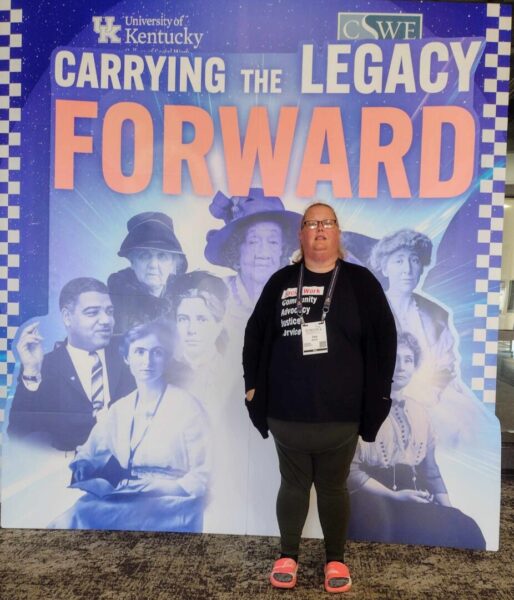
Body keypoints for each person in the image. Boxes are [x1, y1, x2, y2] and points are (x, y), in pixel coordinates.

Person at [243, 202, 397, 592]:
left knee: (333, 487)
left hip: (342, 415)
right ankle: (288, 556)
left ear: (338, 231)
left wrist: (378, 397)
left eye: (326, 222)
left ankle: (335, 561)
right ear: (301, 234)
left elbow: (385, 342)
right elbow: (255, 334)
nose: (319, 230)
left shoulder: (362, 284)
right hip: (286, 412)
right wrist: (251, 385)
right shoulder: (280, 282)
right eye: (311, 224)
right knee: (292, 485)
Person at [50, 319, 209, 532]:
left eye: (157, 352)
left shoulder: (187, 406)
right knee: (78, 512)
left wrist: (161, 488)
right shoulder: (120, 409)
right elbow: (90, 452)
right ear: (126, 358)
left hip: (174, 502)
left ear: (167, 358)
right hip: (130, 495)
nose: (147, 361)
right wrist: (83, 467)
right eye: (140, 352)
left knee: (84, 515)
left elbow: (203, 474)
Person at [347, 332, 486, 549]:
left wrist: (449, 510)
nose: (401, 367)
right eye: (395, 359)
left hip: (412, 494)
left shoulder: (419, 412)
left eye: (408, 360)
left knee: (466, 528)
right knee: (400, 530)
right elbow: (350, 473)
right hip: (370, 498)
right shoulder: (359, 406)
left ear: (414, 366)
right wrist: (397, 497)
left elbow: (429, 471)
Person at [8, 278, 135, 451]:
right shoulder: (44, 367)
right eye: (92, 313)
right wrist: (31, 370)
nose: (106, 320)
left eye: (109, 311)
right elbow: (18, 433)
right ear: (67, 317)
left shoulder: (134, 353)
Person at [204, 188, 300, 326]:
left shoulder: (300, 297)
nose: (263, 251)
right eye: (253, 241)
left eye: (273, 241)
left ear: (282, 250)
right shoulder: (214, 297)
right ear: (236, 250)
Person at [108, 212, 188, 333]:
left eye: (162, 256)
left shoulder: (186, 304)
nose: (153, 265)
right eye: (145, 256)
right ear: (132, 263)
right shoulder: (112, 306)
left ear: (172, 264)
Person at [169, 271, 229, 419]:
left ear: (219, 324)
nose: (191, 330)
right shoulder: (162, 376)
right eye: (183, 319)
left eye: (201, 319)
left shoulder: (234, 373)